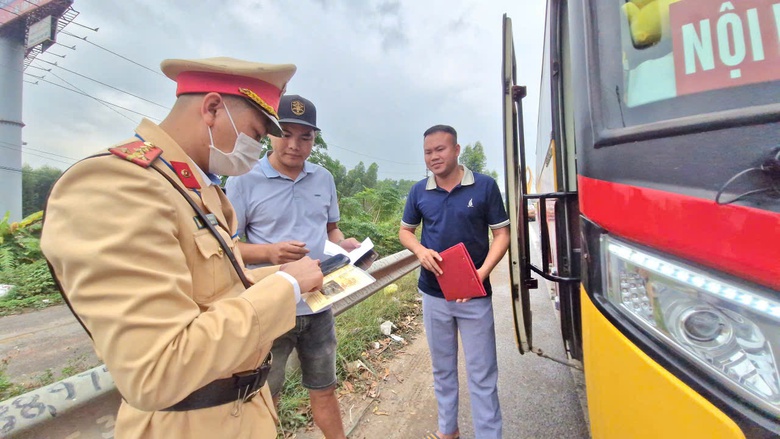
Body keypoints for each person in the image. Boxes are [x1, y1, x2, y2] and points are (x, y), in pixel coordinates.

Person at [41, 57, 324, 439]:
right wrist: (285, 288)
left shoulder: (193, 187)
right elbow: (156, 370)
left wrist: (278, 275)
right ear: (211, 109)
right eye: (256, 135)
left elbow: (214, 288)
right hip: (188, 424)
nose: (256, 150)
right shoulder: (118, 185)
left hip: (238, 414)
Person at [225, 94, 359, 439]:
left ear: (315, 139)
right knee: (265, 397)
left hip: (319, 303)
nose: (295, 145)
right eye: (286, 133)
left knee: (324, 387)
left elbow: (331, 228)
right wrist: (270, 253)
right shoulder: (243, 180)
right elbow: (228, 248)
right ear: (270, 133)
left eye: (306, 137)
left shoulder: (323, 178)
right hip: (270, 308)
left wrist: (342, 244)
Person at [399, 124, 510, 439]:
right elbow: (405, 231)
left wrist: (482, 272)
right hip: (434, 295)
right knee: (442, 371)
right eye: (428, 152)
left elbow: (502, 234)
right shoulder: (419, 191)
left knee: (482, 374)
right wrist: (419, 250)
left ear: (457, 150)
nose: (434, 157)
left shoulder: (484, 186)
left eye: (440, 149)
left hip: (474, 296)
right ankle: (448, 431)